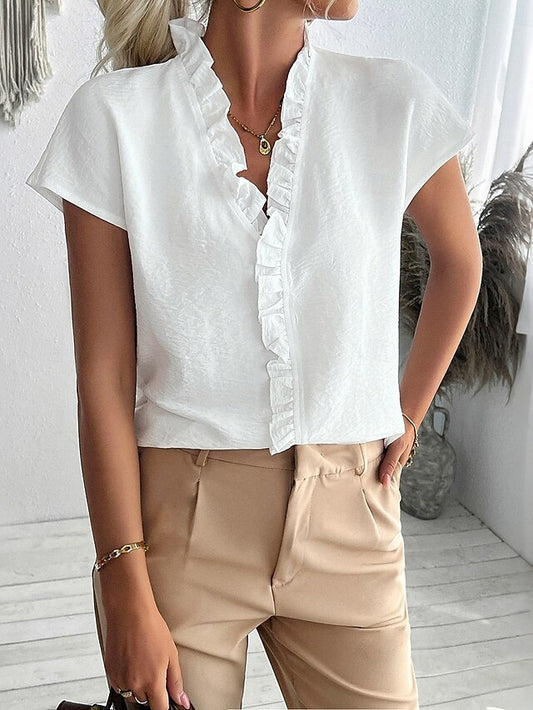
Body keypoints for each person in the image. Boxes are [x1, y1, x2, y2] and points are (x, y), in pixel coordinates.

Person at [25, 0, 483, 708]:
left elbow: (461, 261)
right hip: (182, 528)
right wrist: (120, 577)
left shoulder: (392, 101)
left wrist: (408, 413)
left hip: (352, 522)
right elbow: (103, 377)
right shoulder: (115, 118)